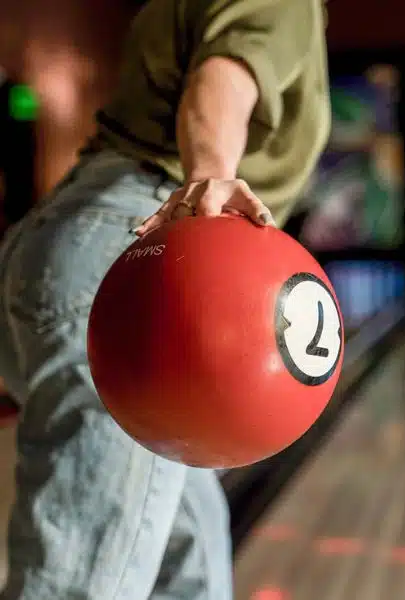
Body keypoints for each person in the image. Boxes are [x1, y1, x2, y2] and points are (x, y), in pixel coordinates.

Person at [0, 0, 330, 597]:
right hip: (148, 268)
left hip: (59, 247)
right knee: (83, 582)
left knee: (192, 563)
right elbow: (223, 77)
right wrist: (209, 173)